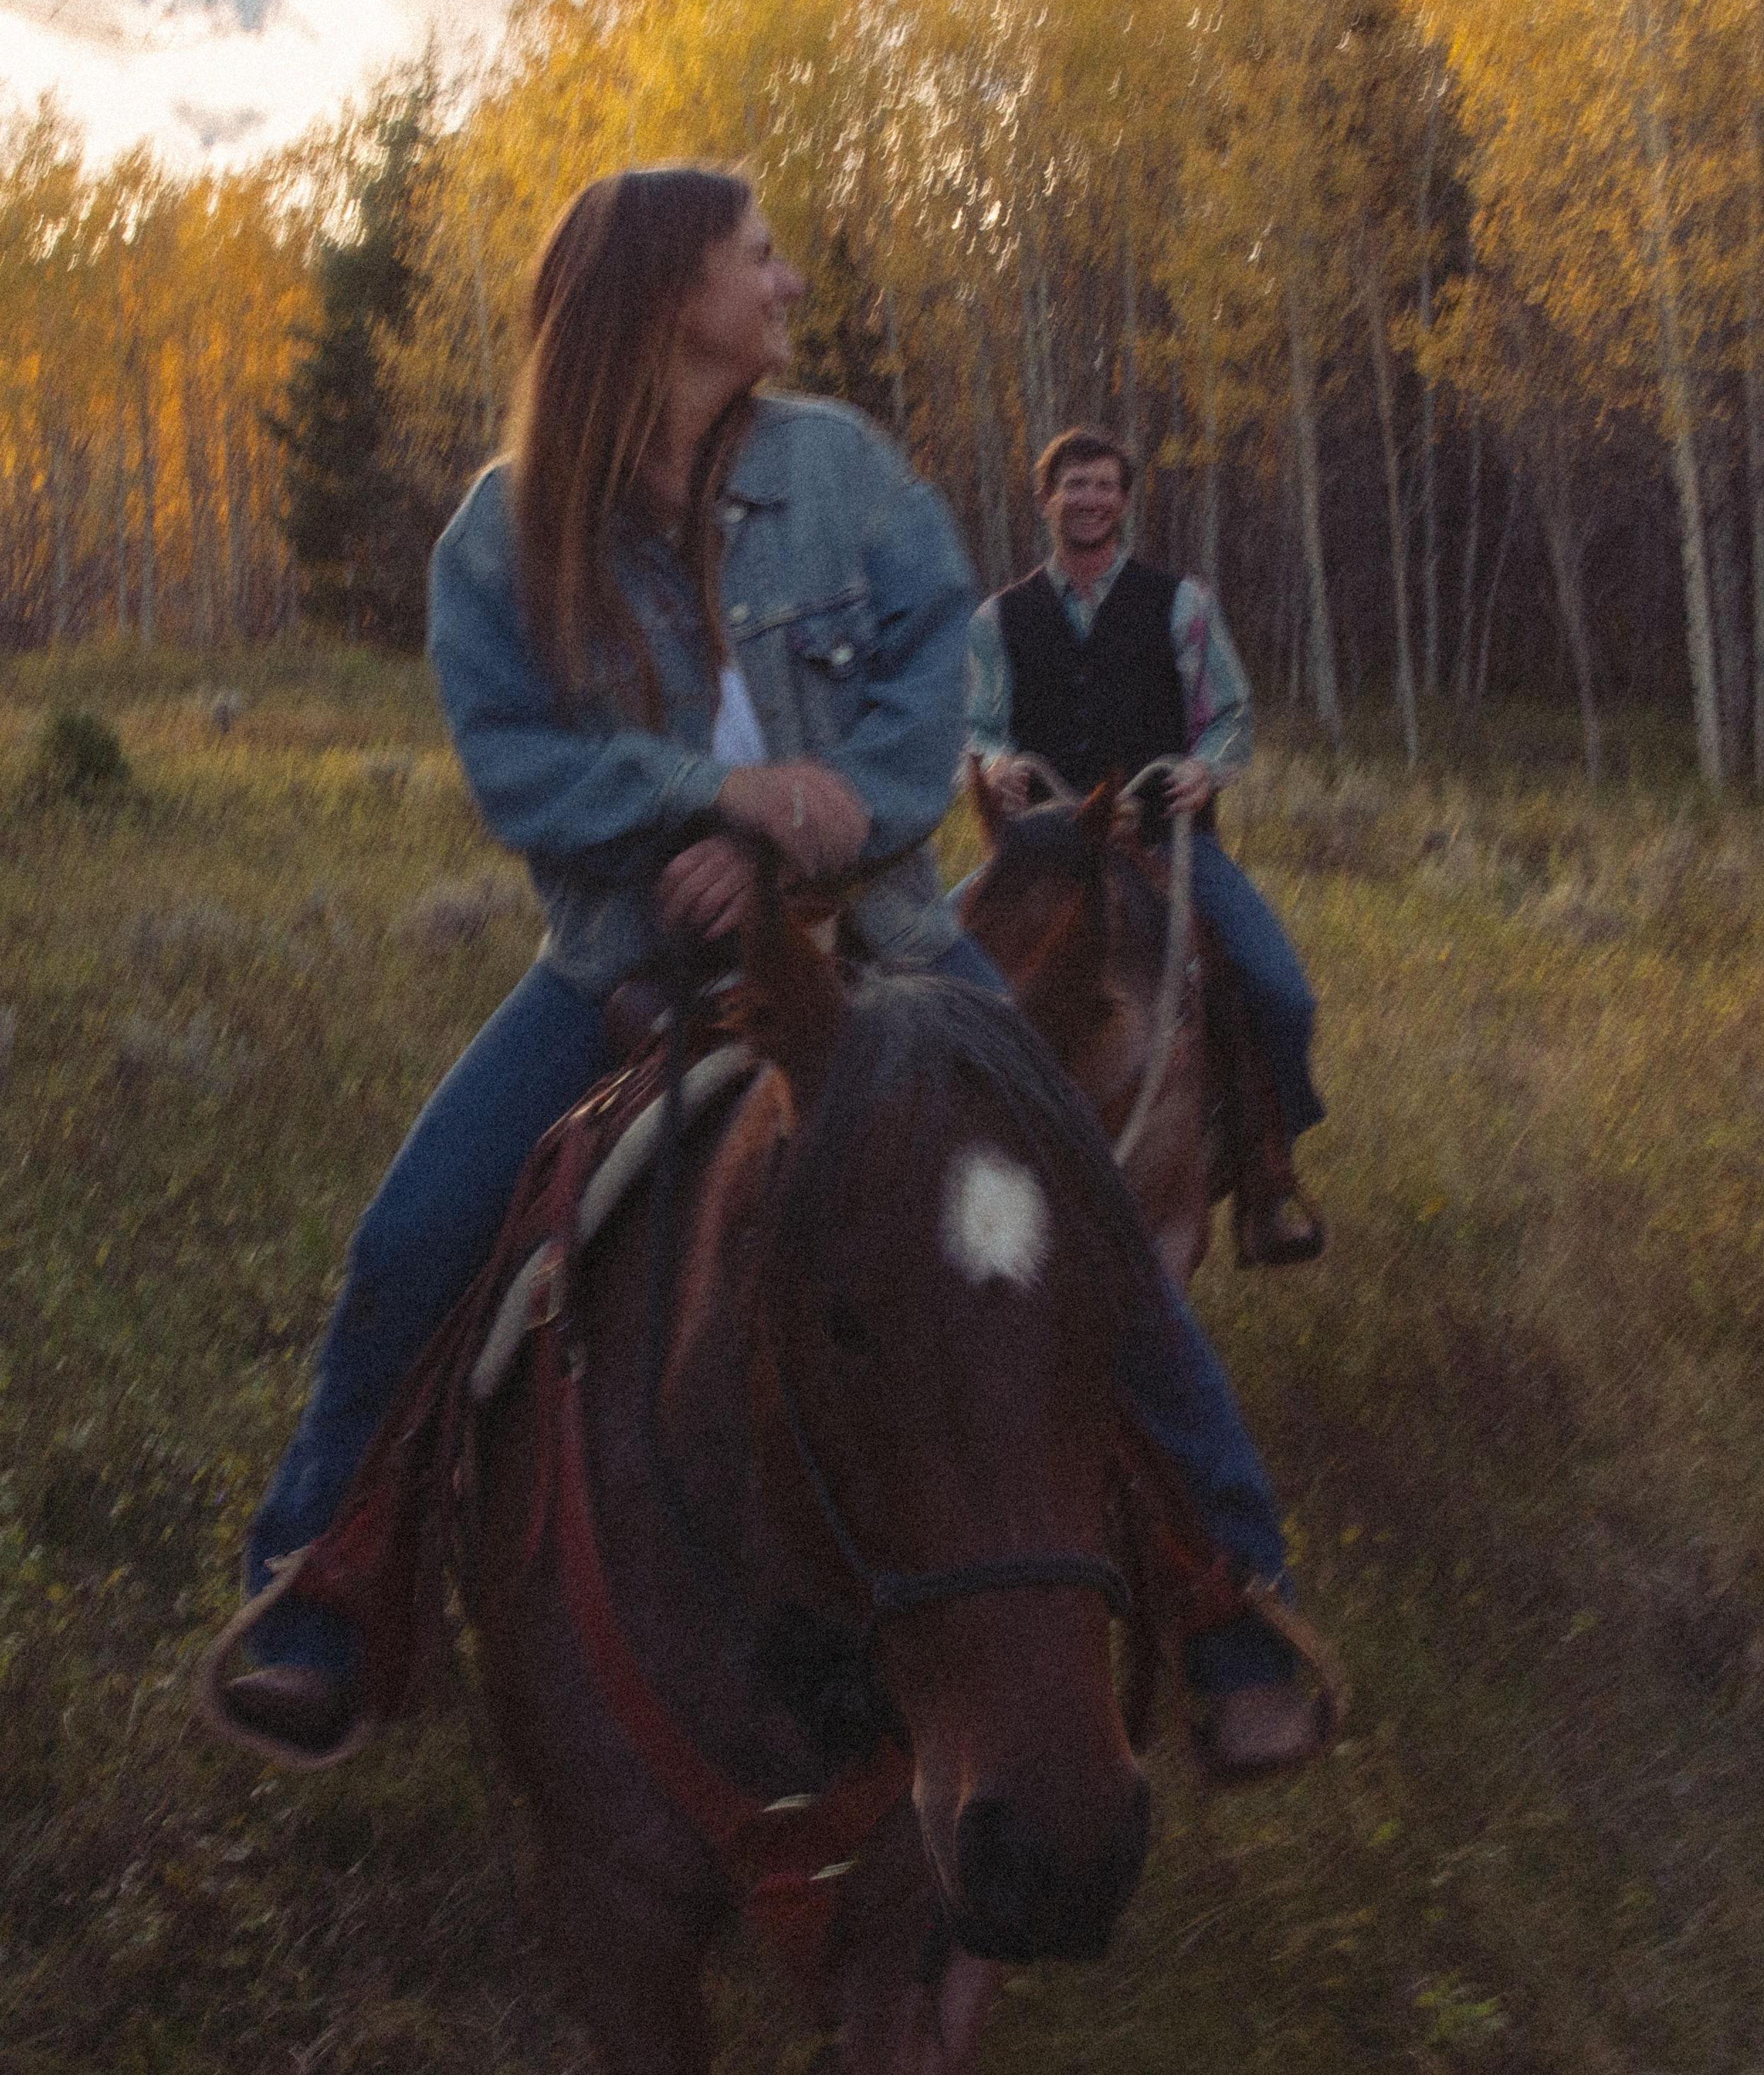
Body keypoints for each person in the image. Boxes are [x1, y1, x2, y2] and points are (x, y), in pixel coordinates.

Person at [222, 169, 1324, 1775]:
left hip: (887, 945)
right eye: (759, 259)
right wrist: (713, 800)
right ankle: (325, 1583)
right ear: (672, 291)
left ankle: (1231, 1599)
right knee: (413, 1237)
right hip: (622, 965)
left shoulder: (842, 470)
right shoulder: (498, 534)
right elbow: (520, 769)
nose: (788, 284)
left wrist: (792, 844)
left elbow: (923, 678)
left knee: (1085, 1225)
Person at [966, 427, 1326, 1265]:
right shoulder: (999, 618)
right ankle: (927, 1175)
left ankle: (1265, 1179)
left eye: (1103, 486)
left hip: (1165, 845)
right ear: (1045, 499)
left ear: (1123, 502)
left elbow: (1229, 716)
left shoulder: (1181, 604)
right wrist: (995, 762)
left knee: (1279, 992)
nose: (1088, 500)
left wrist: (1207, 771)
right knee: (921, 973)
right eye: (1072, 486)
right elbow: (977, 728)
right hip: (1041, 857)